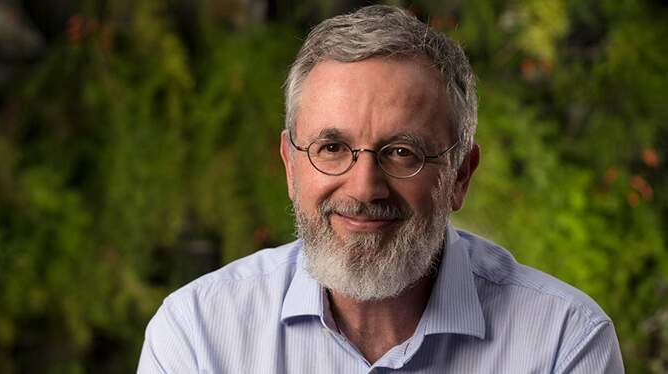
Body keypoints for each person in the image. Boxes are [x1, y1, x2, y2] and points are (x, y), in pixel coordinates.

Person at [137, 5, 625, 373]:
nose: (365, 187)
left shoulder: (564, 341)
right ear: (290, 166)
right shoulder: (198, 333)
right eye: (331, 147)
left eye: (401, 152)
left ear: (460, 176)